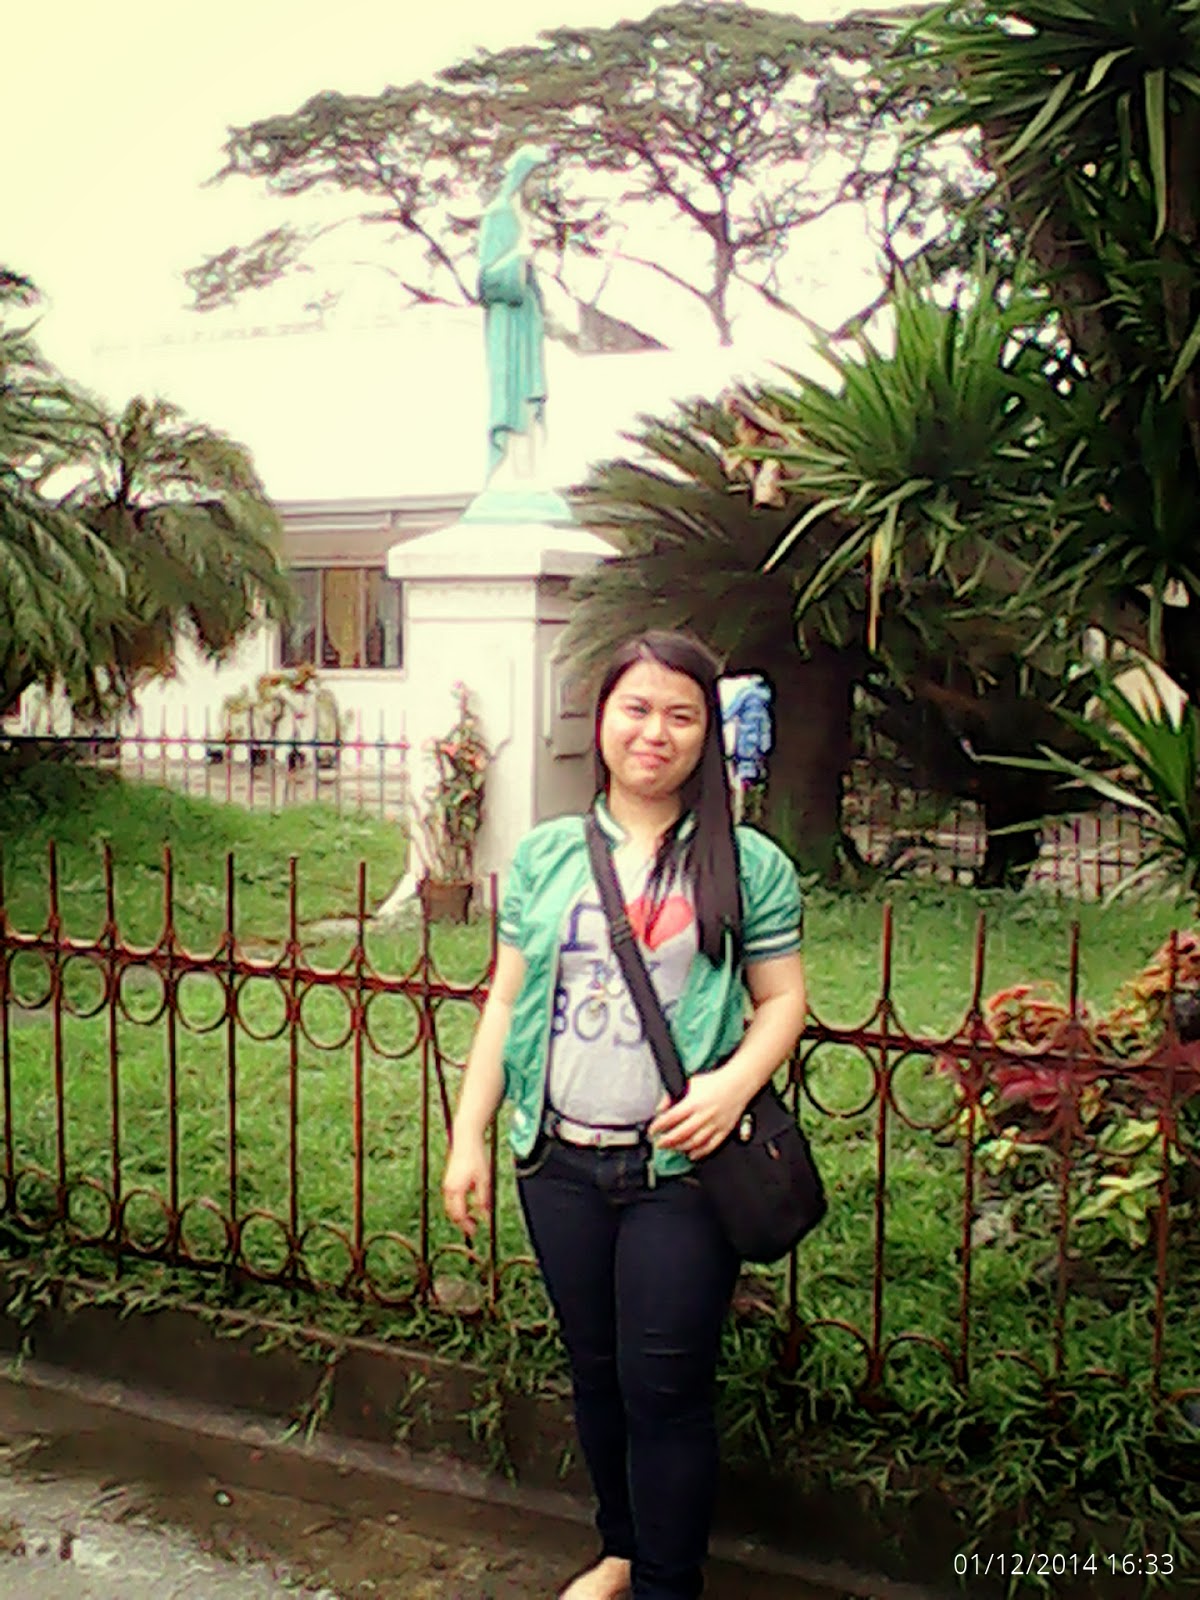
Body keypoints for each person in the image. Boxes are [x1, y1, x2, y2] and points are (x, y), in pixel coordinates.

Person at [442, 631, 807, 1600]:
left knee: (666, 1388)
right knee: (596, 1371)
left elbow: (783, 1000)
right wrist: (470, 1134)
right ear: (602, 718)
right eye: (636, 708)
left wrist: (730, 1087)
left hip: (678, 1175)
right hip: (559, 1162)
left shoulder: (749, 864)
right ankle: (620, 1550)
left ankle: (666, 1585)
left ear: (707, 734)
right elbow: (507, 999)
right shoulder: (548, 855)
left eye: (682, 715)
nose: (656, 732)